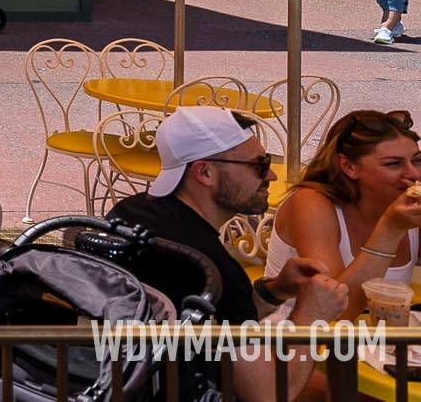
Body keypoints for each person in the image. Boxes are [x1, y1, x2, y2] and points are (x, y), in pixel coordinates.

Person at [110, 106, 348, 402]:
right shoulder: (208, 266)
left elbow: (217, 316)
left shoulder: (131, 213)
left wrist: (273, 291)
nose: (271, 174)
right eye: (258, 165)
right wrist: (311, 318)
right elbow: (268, 394)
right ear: (205, 172)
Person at [268, 109, 421, 306]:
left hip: (379, 332)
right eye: (393, 164)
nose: (413, 174)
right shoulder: (310, 203)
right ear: (349, 166)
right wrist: (390, 229)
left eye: (417, 161)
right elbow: (336, 310)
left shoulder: (406, 205)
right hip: (300, 333)